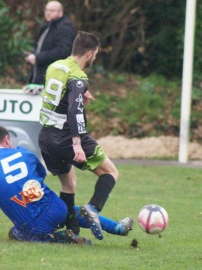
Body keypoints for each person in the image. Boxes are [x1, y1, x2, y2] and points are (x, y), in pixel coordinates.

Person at [0, 125, 133, 244]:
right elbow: (40, 176)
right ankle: (117, 227)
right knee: (71, 211)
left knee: (15, 233)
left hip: (33, 225)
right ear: (7, 140)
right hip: (57, 207)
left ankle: (59, 238)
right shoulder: (24, 153)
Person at [38, 31, 133, 240]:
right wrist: (77, 143)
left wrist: (80, 93)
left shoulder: (55, 66)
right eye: (96, 54)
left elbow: (59, 94)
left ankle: (72, 231)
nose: (95, 58)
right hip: (65, 136)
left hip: (46, 137)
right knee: (110, 172)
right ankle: (93, 208)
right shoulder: (79, 76)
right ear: (89, 54)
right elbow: (74, 110)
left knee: (69, 183)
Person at [24, 1, 76, 86]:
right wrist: (32, 56)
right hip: (40, 76)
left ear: (60, 12)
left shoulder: (65, 29)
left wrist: (38, 58)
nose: (48, 13)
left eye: (52, 11)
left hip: (55, 79)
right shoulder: (45, 28)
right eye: (46, 10)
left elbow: (63, 52)